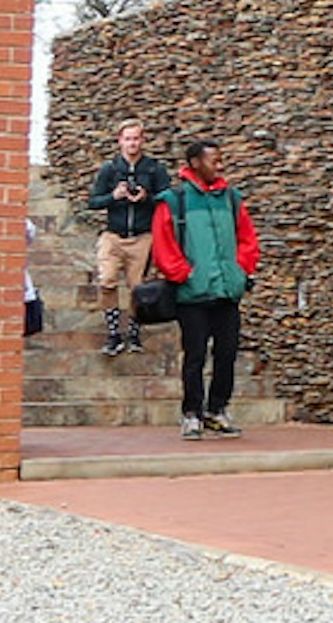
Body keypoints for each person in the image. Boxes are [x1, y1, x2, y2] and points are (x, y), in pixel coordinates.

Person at [148, 136, 259, 441]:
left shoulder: (231, 198)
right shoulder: (174, 199)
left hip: (226, 291)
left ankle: (217, 410)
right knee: (194, 355)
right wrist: (184, 275)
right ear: (195, 163)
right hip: (192, 294)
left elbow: (248, 239)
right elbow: (163, 244)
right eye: (214, 160)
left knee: (227, 353)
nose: (220, 165)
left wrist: (241, 271)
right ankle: (191, 413)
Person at [85, 120, 170, 357]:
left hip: (142, 236)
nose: (132, 143)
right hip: (114, 234)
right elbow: (93, 202)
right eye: (128, 139)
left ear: (142, 140)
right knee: (107, 280)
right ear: (120, 141)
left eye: (136, 138)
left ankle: (133, 331)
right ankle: (113, 332)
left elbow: (168, 199)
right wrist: (114, 196)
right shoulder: (110, 169)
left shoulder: (154, 169)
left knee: (138, 289)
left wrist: (146, 197)